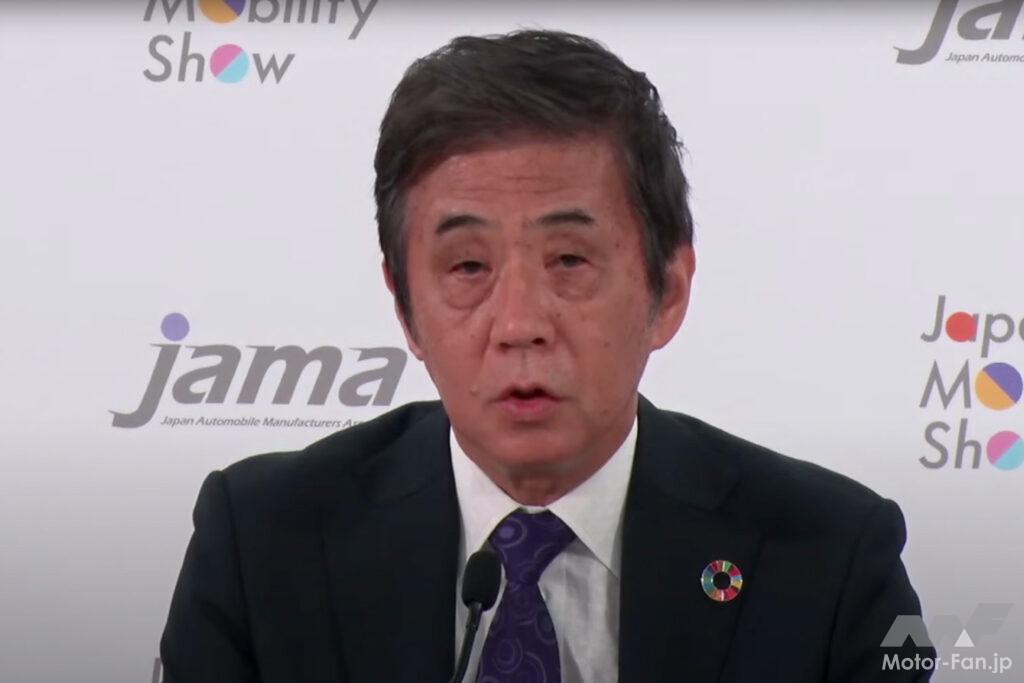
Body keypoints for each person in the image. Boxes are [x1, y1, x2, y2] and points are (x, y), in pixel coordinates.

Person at [161, 29, 934, 682]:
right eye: (469, 266)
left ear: (667, 290)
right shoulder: (264, 546)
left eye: (569, 260)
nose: (520, 323)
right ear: (406, 309)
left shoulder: (830, 560)